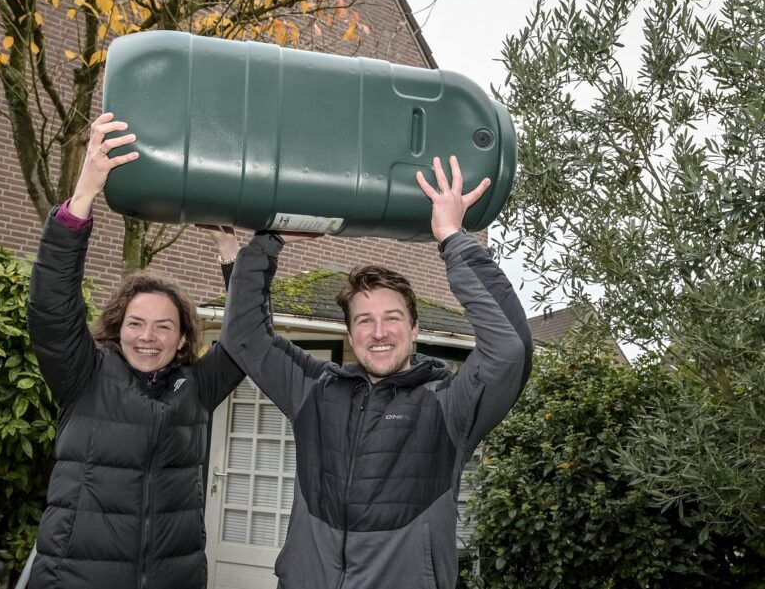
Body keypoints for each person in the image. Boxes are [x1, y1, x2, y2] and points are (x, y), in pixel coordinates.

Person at [219, 156, 533, 589]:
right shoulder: (316, 389)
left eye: (393, 318)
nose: (379, 332)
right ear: (349, 332)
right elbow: (245, 337)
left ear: (415, 328)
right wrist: (267, 244)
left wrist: (452, 239)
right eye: (364, 320)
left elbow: (510, 348)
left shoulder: (448, 403)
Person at [26, 112, 245, 589]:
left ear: (183, 337)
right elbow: (50, 308)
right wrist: (83, 196)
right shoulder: (83, 376)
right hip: (75, 577)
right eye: (136, 323)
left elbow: (248, 339)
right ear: (116, 328)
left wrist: (231, 253)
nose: (148, 336)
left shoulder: (197, 389)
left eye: (163, 326)